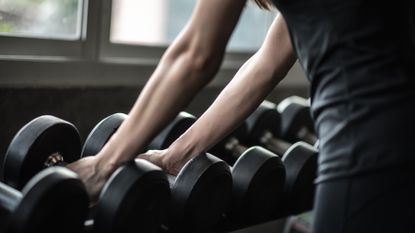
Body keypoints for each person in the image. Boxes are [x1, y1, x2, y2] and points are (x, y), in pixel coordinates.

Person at [68, 0, 415, 232]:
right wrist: (174, 156)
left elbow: (195, 55)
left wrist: (105, 164)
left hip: (371, 141)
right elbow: (266, 65)